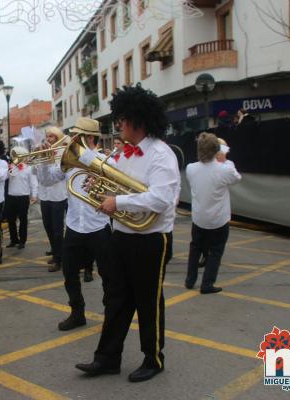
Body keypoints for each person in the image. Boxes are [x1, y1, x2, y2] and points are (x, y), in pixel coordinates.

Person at [76, 85, 180, 383]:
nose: (118, 123)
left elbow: (160, 199)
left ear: (139, 120)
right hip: (121, 234)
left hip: (151, 239)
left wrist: (117, 201)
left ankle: (154, 358)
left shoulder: (161, 154)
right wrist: (98, 191)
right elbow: (112, 186)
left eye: (123, 118)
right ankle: (107, 358)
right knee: (116, 299)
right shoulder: (124, 155)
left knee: (148, 301)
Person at [38, 117, 112, 331]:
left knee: (108, 274)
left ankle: (111, 312)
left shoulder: (106, 161)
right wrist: (44, 160)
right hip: (74, 226)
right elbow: (48, 180)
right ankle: (77, 313)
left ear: (89, 137)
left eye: (76, 136)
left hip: (98, 225)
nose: (72, 139)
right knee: (69, 273)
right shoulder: (69, 160)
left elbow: (114, 190)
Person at [185, 133, 241, 294]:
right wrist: (225, 160)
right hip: (218, 220)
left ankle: (190, 280)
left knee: (195, 248)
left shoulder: (191, 169)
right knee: (215, 251)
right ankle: (207, 284)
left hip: (199, 218)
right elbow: (237, 177)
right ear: (217, 150)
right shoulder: (225, 169)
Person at [36, 127, 68, 272]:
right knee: (48, 227)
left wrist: (48, 161)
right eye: (47, 136)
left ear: (58, 138)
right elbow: (41, 178)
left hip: (58, 195)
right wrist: (41, 160)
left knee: (57, 230)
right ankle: (56, 254)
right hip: (44, 195)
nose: (48, 139)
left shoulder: (62, 153)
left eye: (52, 137)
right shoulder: (43, 153)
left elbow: (55, 177)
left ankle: (60, 259)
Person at [5, 156, 38, 249]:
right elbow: (5, 177)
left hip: (23, 197)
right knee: (11, 220)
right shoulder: (11, 167)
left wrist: (34, 195)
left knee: (23, 220)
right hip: (11, 196)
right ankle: (14, 239)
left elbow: (33, 183)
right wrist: (11, 167)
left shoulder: (28, 168)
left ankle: (22, 241)